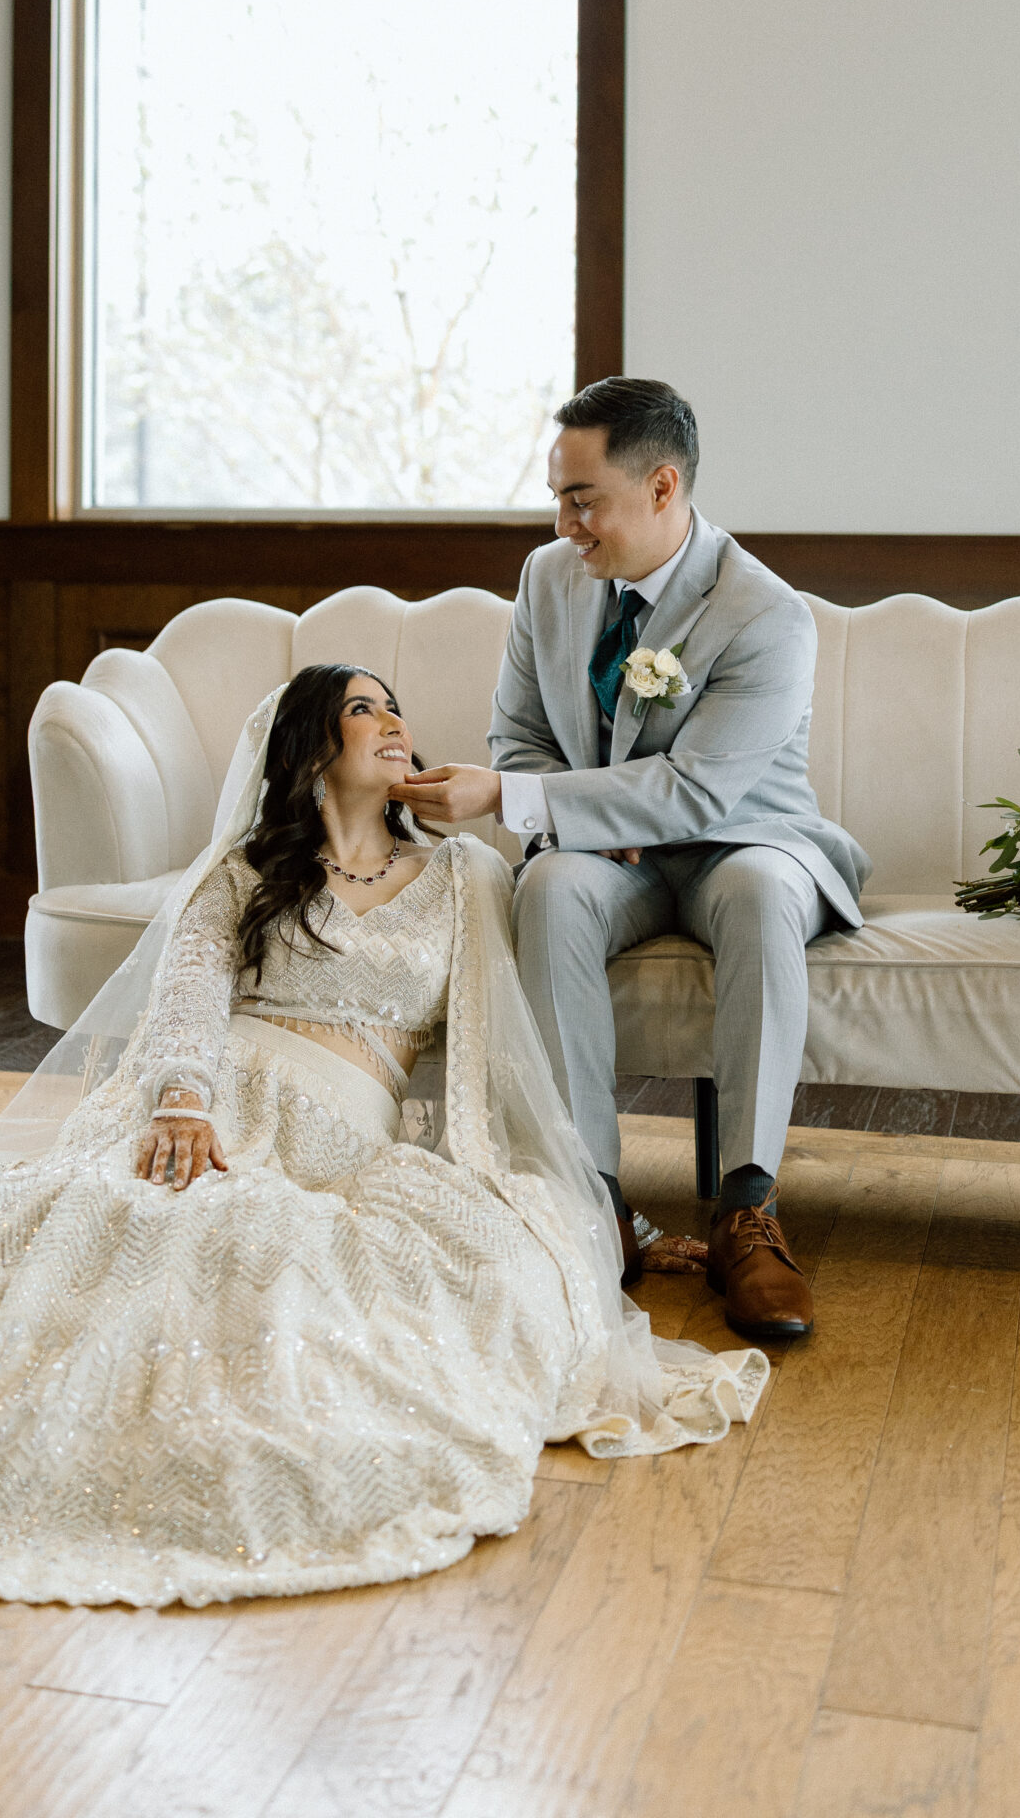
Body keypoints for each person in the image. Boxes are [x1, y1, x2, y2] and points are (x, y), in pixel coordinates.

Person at [0, 664, 765, 1610]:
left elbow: (504, 1064)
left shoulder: (466, 878)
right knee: (109, 1242)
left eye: (400, 710)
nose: (394, 724)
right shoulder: (245, 872)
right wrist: (179, 1095)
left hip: (347, 1142)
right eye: (362, 709)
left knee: (434, 1280)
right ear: (308, 744)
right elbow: (187, 989)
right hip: (216, 1107)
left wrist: (578, 1210)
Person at [396, 378, 870, 1341]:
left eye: (583, 499)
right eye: (556, 497)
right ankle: (591, 1200)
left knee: (757, 889)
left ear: (661, 487)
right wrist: (562, 814)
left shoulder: (765, 614)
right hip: (607, 851)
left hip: (744, 838)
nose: (566, 524)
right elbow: (519, 735)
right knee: (556, 886)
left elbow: (698, 792)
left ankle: (747, 1207)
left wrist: (514, 798)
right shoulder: (547, 578)